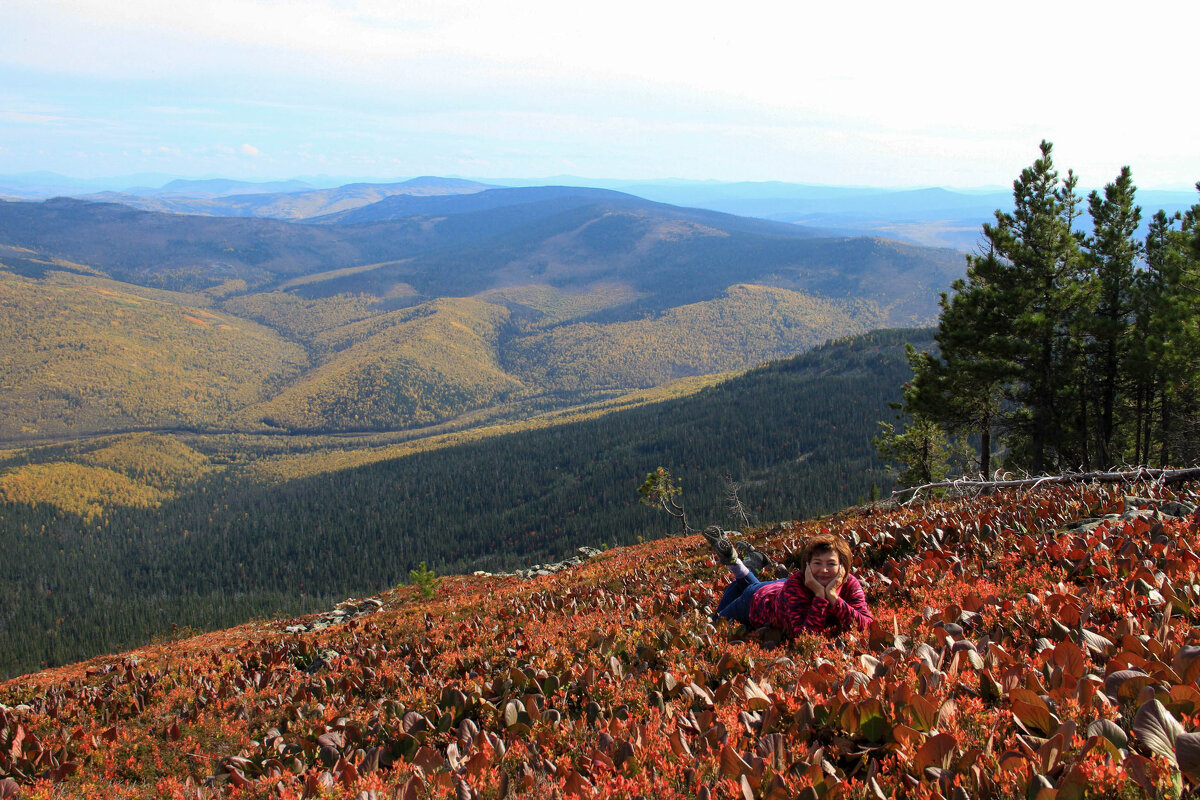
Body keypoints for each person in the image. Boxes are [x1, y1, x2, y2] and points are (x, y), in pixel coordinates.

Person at [704, 526, 872, 636]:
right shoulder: (796, 586)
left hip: (778, 587)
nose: (824, 570)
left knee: (749, 587)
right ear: (807, 565)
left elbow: (866, 624)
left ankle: (739, 563)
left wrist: (832, 597)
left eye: (831, 564)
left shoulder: (850, 583)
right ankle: (739, 564)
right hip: (757, 600)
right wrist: (821, 597)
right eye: (817, 563)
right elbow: (804, 635)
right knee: (715, 622)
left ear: (843, 567)